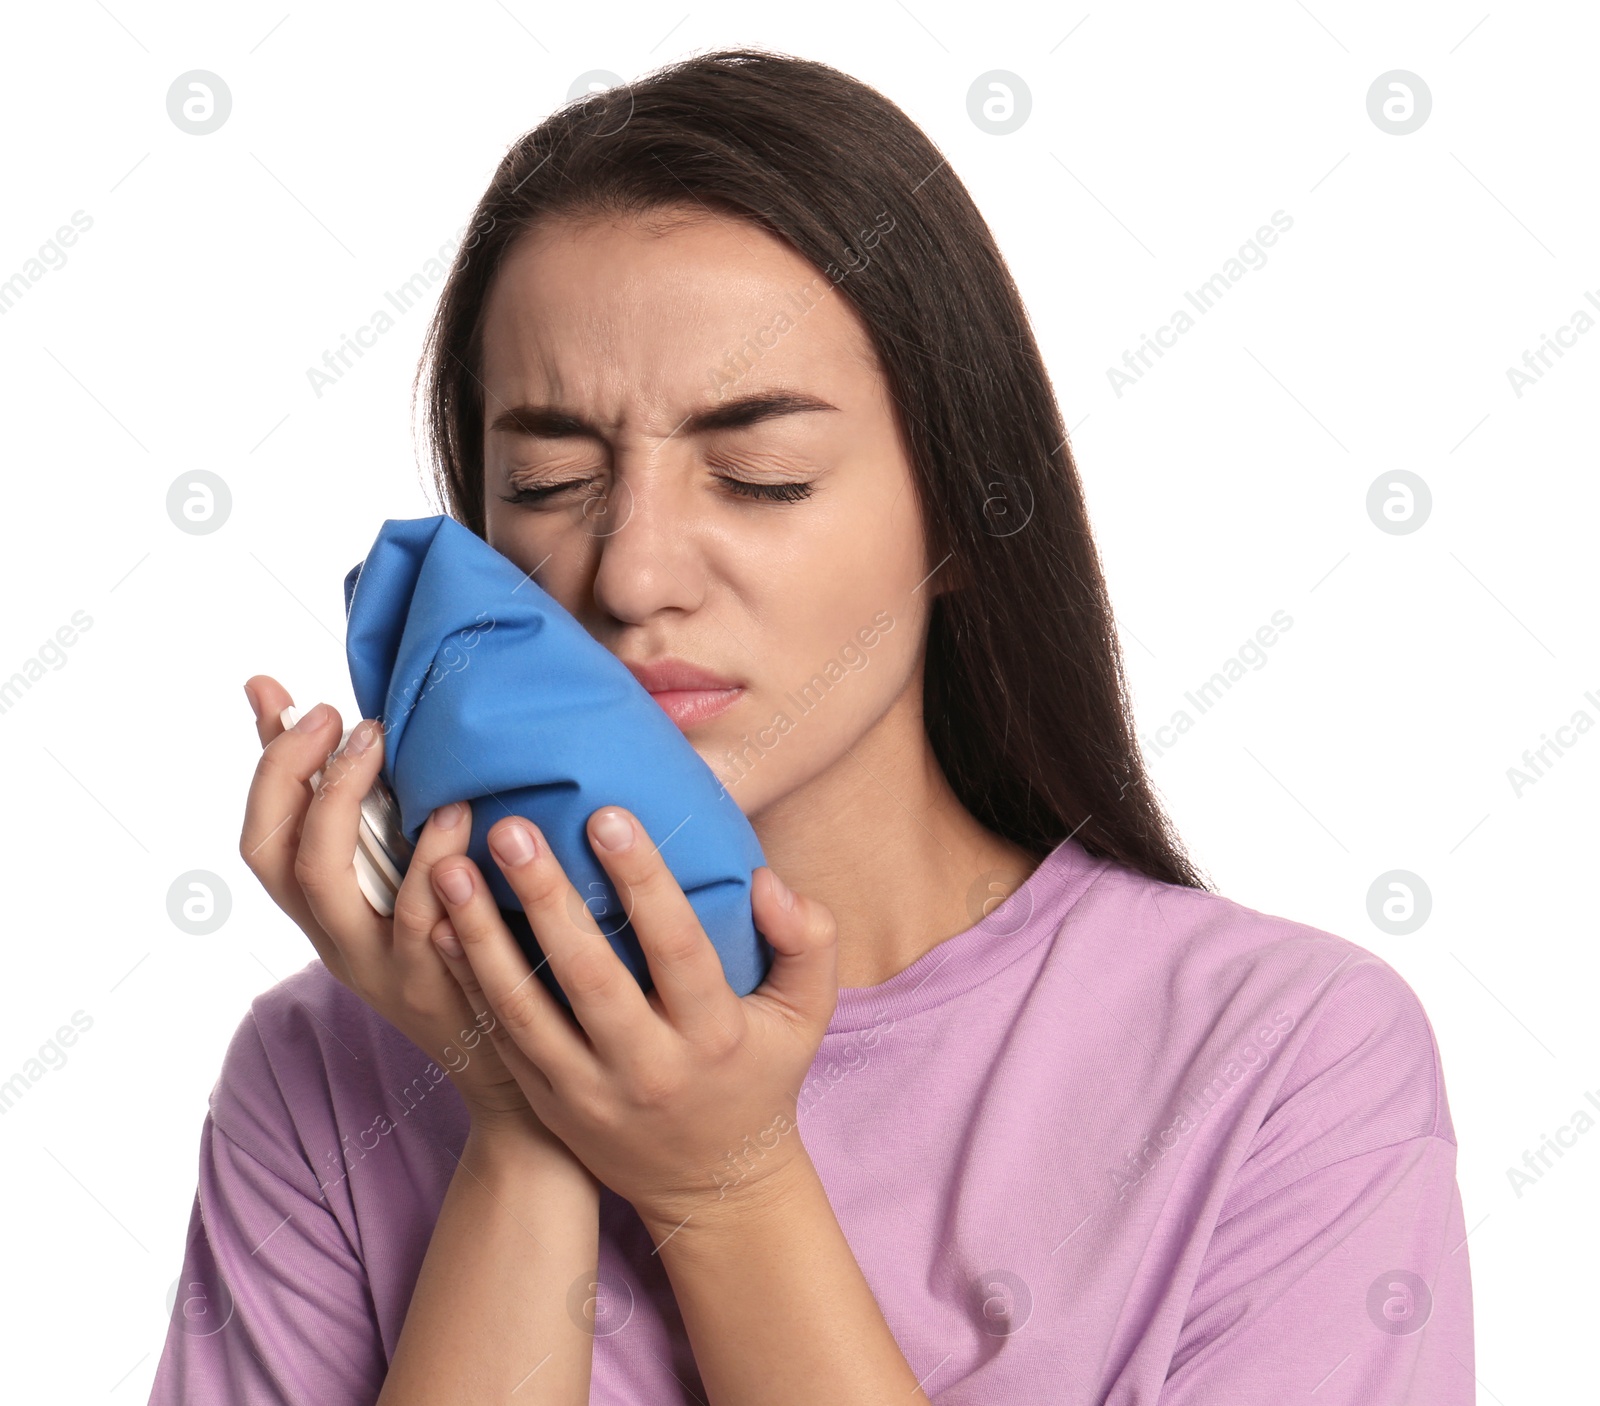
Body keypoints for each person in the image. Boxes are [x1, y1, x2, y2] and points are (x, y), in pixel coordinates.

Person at [149, 47, 1474, 1405]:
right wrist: (522, 1109)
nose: (634, 573)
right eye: (548, 480)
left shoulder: (1283, 1060)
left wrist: (723, 1183)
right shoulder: (326, 1067)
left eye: (760, 476)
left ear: (963, 512)